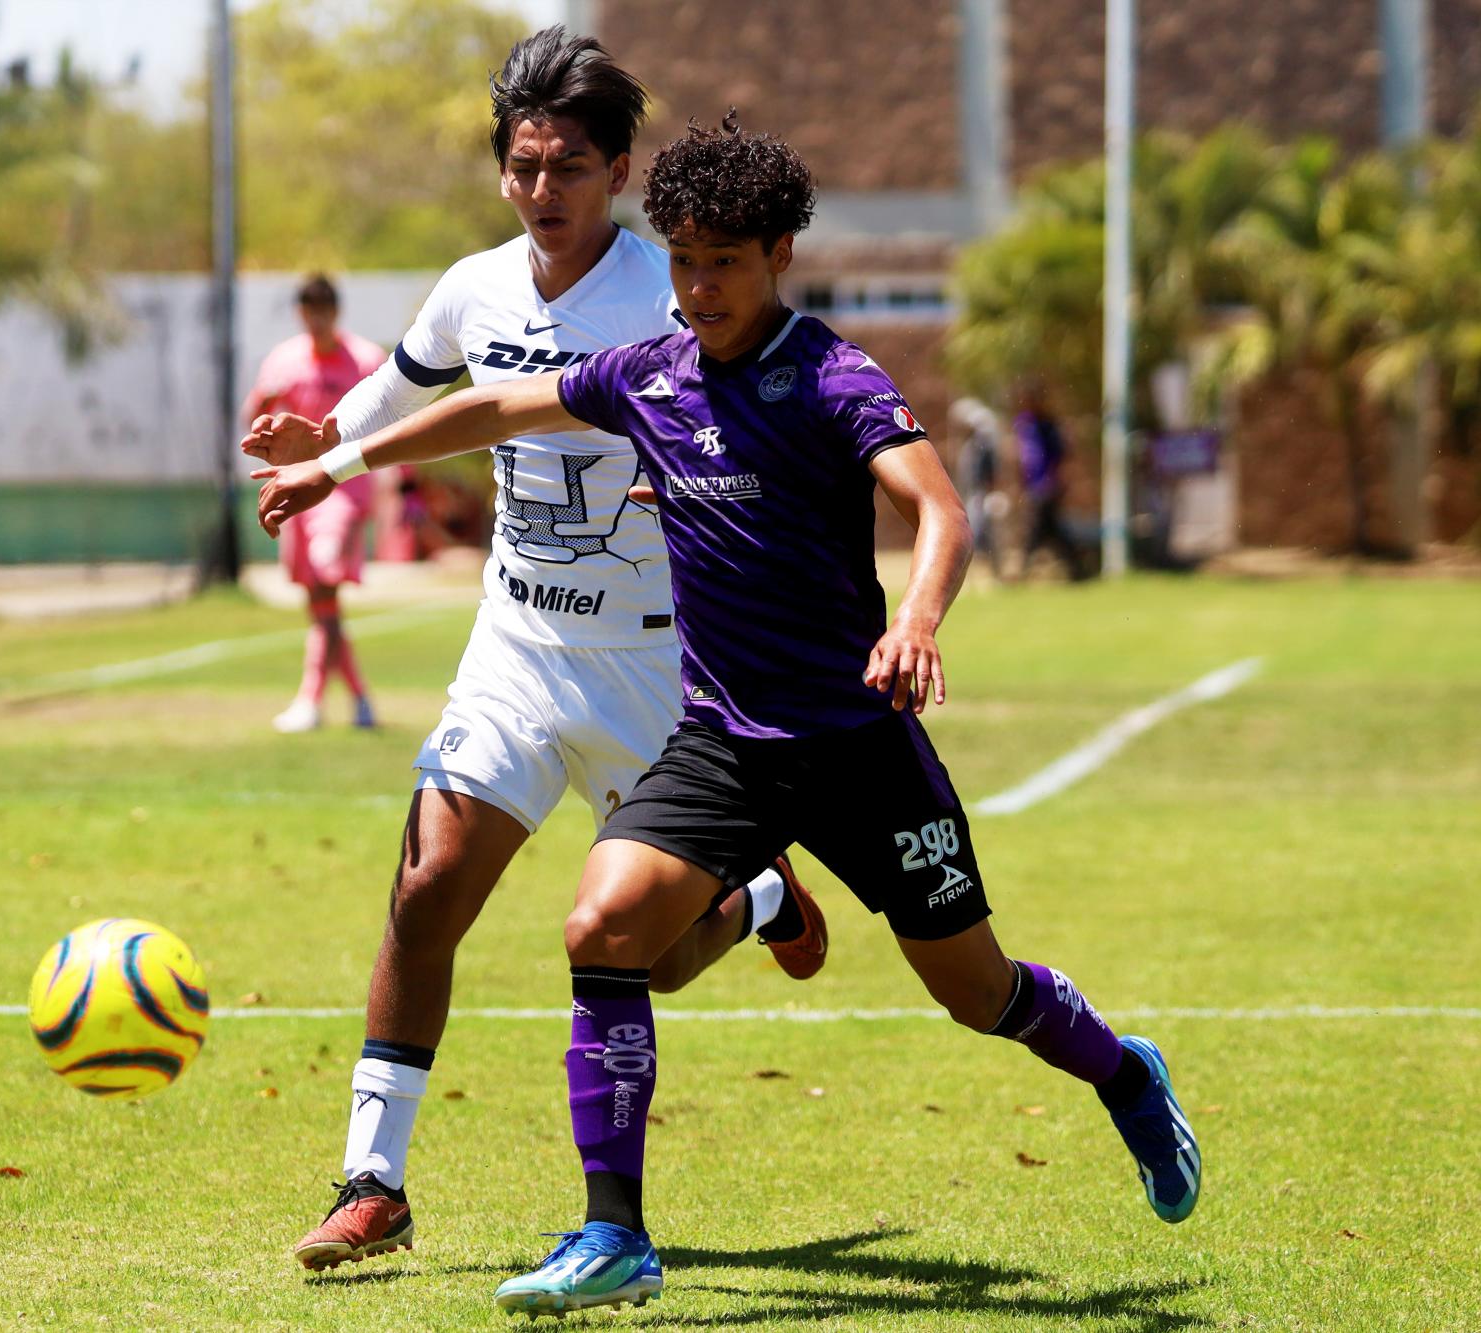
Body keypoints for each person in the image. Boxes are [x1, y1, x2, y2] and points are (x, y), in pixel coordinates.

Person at [255, 112, 1202, 1316]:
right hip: (722, 747)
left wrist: (911, 623)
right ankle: (615, 1234)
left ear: (780, 258)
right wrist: (331, 462)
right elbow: (492, 410)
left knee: (977, 993)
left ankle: (1123, 1074)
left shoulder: (830, 376)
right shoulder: (647, 376)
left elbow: (940, 511)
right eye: (686, 259)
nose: (699, 288)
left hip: (857, 749)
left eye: (727, 262)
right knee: (599, 927)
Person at [239, 29, 828, 1272]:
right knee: (422, 888)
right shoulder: (475, 286)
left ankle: (754, 893)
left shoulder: (670, 295)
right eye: (520, 166)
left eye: (566, 166)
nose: (540, 190)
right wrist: (323, 441)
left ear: (617, 169)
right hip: (515, 646)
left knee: (657, 959)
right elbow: (408, 390)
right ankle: (372, 1180)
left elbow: (756, 433)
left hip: (660, 670)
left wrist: (700, 493)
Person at [243, 275, 387, 732]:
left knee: (325, 584)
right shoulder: (284, 360)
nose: (317, 315)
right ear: (300, 311)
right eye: (309, 307)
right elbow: (255, 425)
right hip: (297, 492)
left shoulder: (365, 359)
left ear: (336, 310)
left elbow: (393, 419)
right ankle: (360, 700)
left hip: (344, 489)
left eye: (324, 306)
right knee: (320, 602)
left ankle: (310, 700)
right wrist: (264, 406)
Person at [1013, 379, 1088, 581]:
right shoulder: (1023, 424)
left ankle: (1022, 571)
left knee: (1036, 530)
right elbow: (1022, 457)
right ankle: (1078, 569)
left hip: (1047, 484)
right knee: (1052, 530)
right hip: (1033, 484)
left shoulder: (1048, 426)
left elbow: (1061, 456)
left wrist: (1059, 482)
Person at [946, 396, 1006, 576]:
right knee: (980, 534)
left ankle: (991, 571)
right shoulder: (970, 447)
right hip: (971, 495)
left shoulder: (983, 448)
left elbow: (989, 475)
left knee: (979, 534)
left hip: (980, 495)